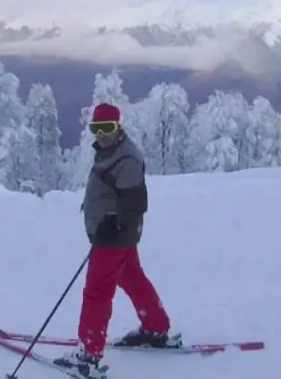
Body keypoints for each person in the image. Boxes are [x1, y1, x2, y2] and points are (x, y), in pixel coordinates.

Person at [53, 102, 179, 379]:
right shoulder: (111, 152)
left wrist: (115, 225)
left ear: (118, 126)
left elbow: (136, 203)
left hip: (113, 238)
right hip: (115, 235)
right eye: (96, 129)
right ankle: (155, 326)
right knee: (132, 277)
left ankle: (88, 354)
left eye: (107, 128)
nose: (102, 135)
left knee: (97, 290)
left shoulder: (126, 159)